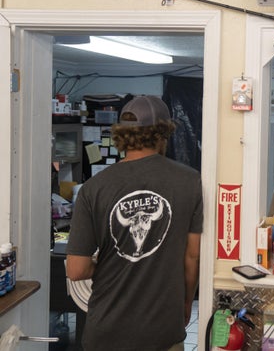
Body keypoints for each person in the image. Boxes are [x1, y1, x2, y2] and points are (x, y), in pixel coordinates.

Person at [66, 95, 202, 351]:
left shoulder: (93, 188)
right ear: (164, 133)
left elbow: (76, 269)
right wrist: (186, 302)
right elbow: (192, 256)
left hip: (106, 331)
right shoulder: (190, 182)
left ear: (121, 135)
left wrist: (106, 264)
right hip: (162, 329)